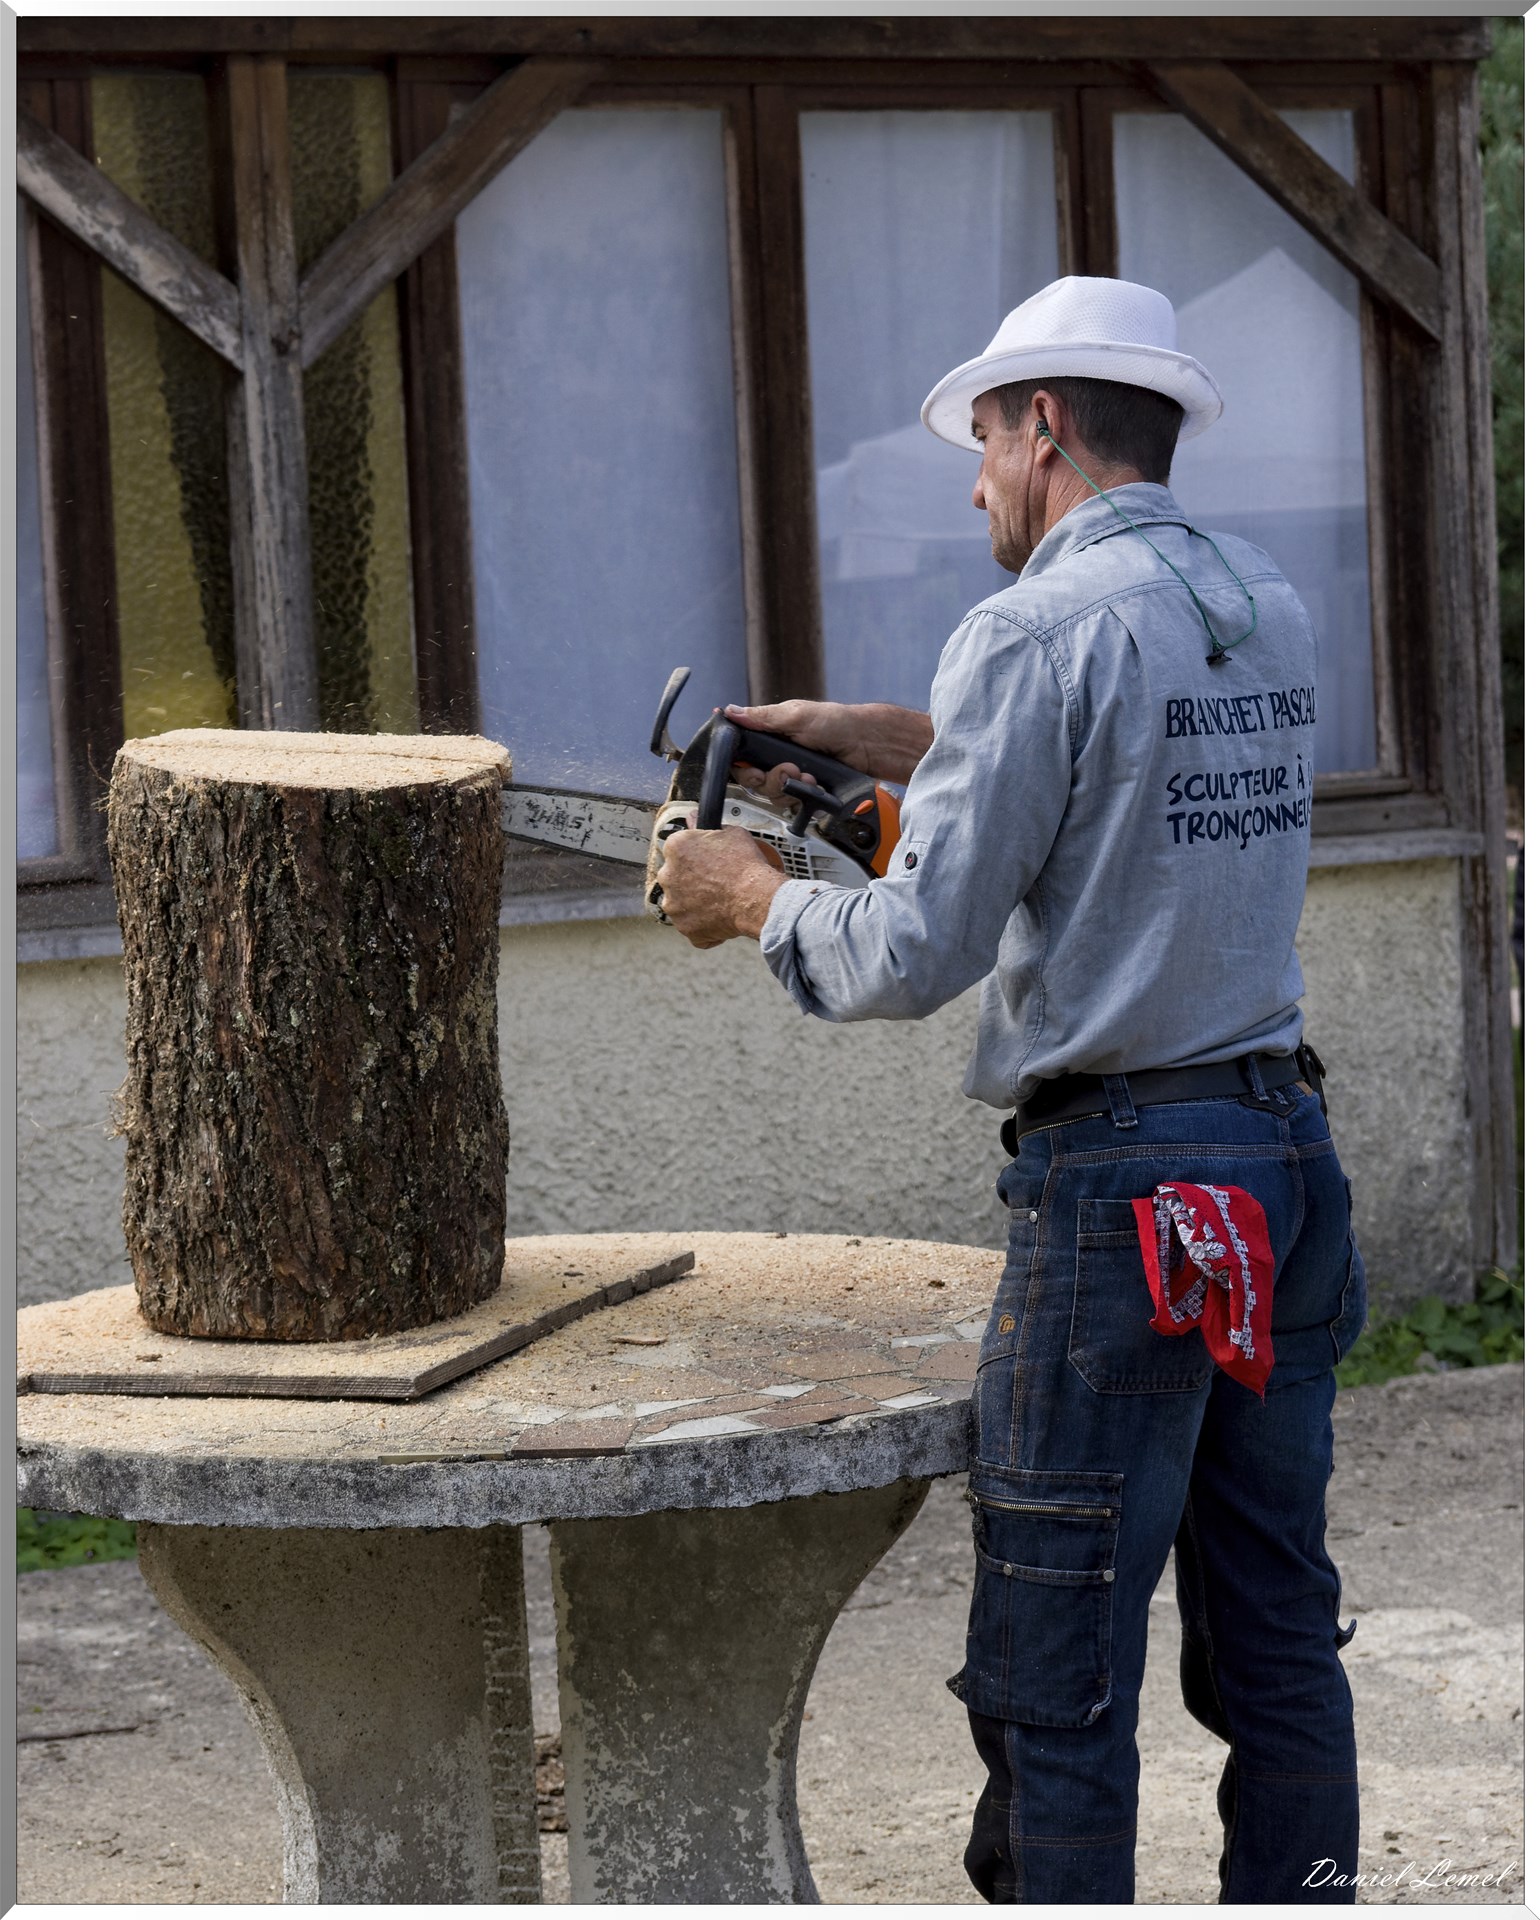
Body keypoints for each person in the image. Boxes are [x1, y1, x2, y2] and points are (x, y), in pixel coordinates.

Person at [656, 276, 1368, 1904]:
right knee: (1273, 1629)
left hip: (1125, 1196)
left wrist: (751, 894)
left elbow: (913, 946)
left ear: (1044, 424)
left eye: (981, 440)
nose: (974, 479)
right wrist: (880, 739)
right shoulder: (1259, 599)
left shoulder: (1029, 628)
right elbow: (1113, 756)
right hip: (1276, 1154)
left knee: (1058, 1665)